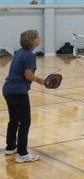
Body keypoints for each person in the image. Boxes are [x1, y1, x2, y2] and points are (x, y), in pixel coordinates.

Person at [1, 30, 45, 163]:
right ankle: (22, 153)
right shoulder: (30, 55)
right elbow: (28, 75)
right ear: (32, 41)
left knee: (14, 119)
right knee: (25, 121)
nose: (39, 38)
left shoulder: (18, 52)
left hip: (8, 89)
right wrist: (41, 81)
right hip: (18, 91)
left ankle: (10, 147)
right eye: (37, 37)